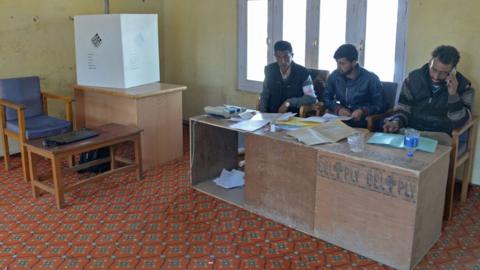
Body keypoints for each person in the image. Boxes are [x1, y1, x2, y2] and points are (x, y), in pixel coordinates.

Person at [383, 45, 474, 135]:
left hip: (440, 134)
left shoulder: (464, 86)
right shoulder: (413, 78)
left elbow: (460, 122)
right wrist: (396, 122)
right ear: (430, 62)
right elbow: (403, 108)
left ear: (453, 71)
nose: (436, 76)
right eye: (434, 69)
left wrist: (453, 95)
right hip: (411, 130)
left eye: (443, 73)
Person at [323, 44, 385, 128]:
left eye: (342, 63)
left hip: (363, 122)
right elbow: (326, 97)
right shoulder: (335, 76)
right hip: (341, 119)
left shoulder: (371, 79)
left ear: (354, 62)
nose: (338, 67)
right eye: (337, 63)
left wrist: (363, 111)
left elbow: (380, 104)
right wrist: (338, 109)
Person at [259, 40, 317, 113]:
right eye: (278, 57)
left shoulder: (303, 73)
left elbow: (311, 98)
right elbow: (265, 95)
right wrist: (262, 114)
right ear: (275, 56)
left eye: (286, 57)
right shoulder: (269, 70)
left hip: (293, 116)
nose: (282, 61)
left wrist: (288, 102)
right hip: (272, 115)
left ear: (292, 55)